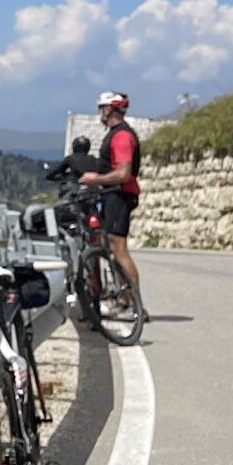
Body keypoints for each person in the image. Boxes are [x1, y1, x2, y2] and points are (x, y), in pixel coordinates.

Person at [77, 92, 149, 321]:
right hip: (113, 195)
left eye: (102, 107)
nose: (100, 112)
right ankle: (124, 299)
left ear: (111, 109)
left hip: (120, 195)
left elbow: (123, 173)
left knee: (119, 249)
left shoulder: (121, 136)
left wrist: (93, 179)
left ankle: (133, 305)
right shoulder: (115, 134)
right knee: (110, 246)